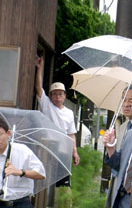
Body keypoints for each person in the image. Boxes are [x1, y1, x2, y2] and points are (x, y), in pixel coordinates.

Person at [35, 56, 79, 188]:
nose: (57, 96)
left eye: (60, 94)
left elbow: (71, 134)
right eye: (54, 94)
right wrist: (39, 68)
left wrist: (74, 151)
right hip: (47, 146)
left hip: (63, 147)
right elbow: (38, 87)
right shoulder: (46, 104)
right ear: (50, 95)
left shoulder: (69, 113)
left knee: (62, 183)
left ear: (65, 96)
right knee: (45, 176)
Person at [105, 85, 132, 208]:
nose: (125, 104)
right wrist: (110, 147)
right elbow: (118, 163)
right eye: (123, 99)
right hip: (118, 189)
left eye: (130, 101)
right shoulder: (122, 127)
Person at [0, 117, 46, 208]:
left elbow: (41, 174)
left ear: (8, 134)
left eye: (0, 134)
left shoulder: (22, 151)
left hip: (20, 202)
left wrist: (20, 172)